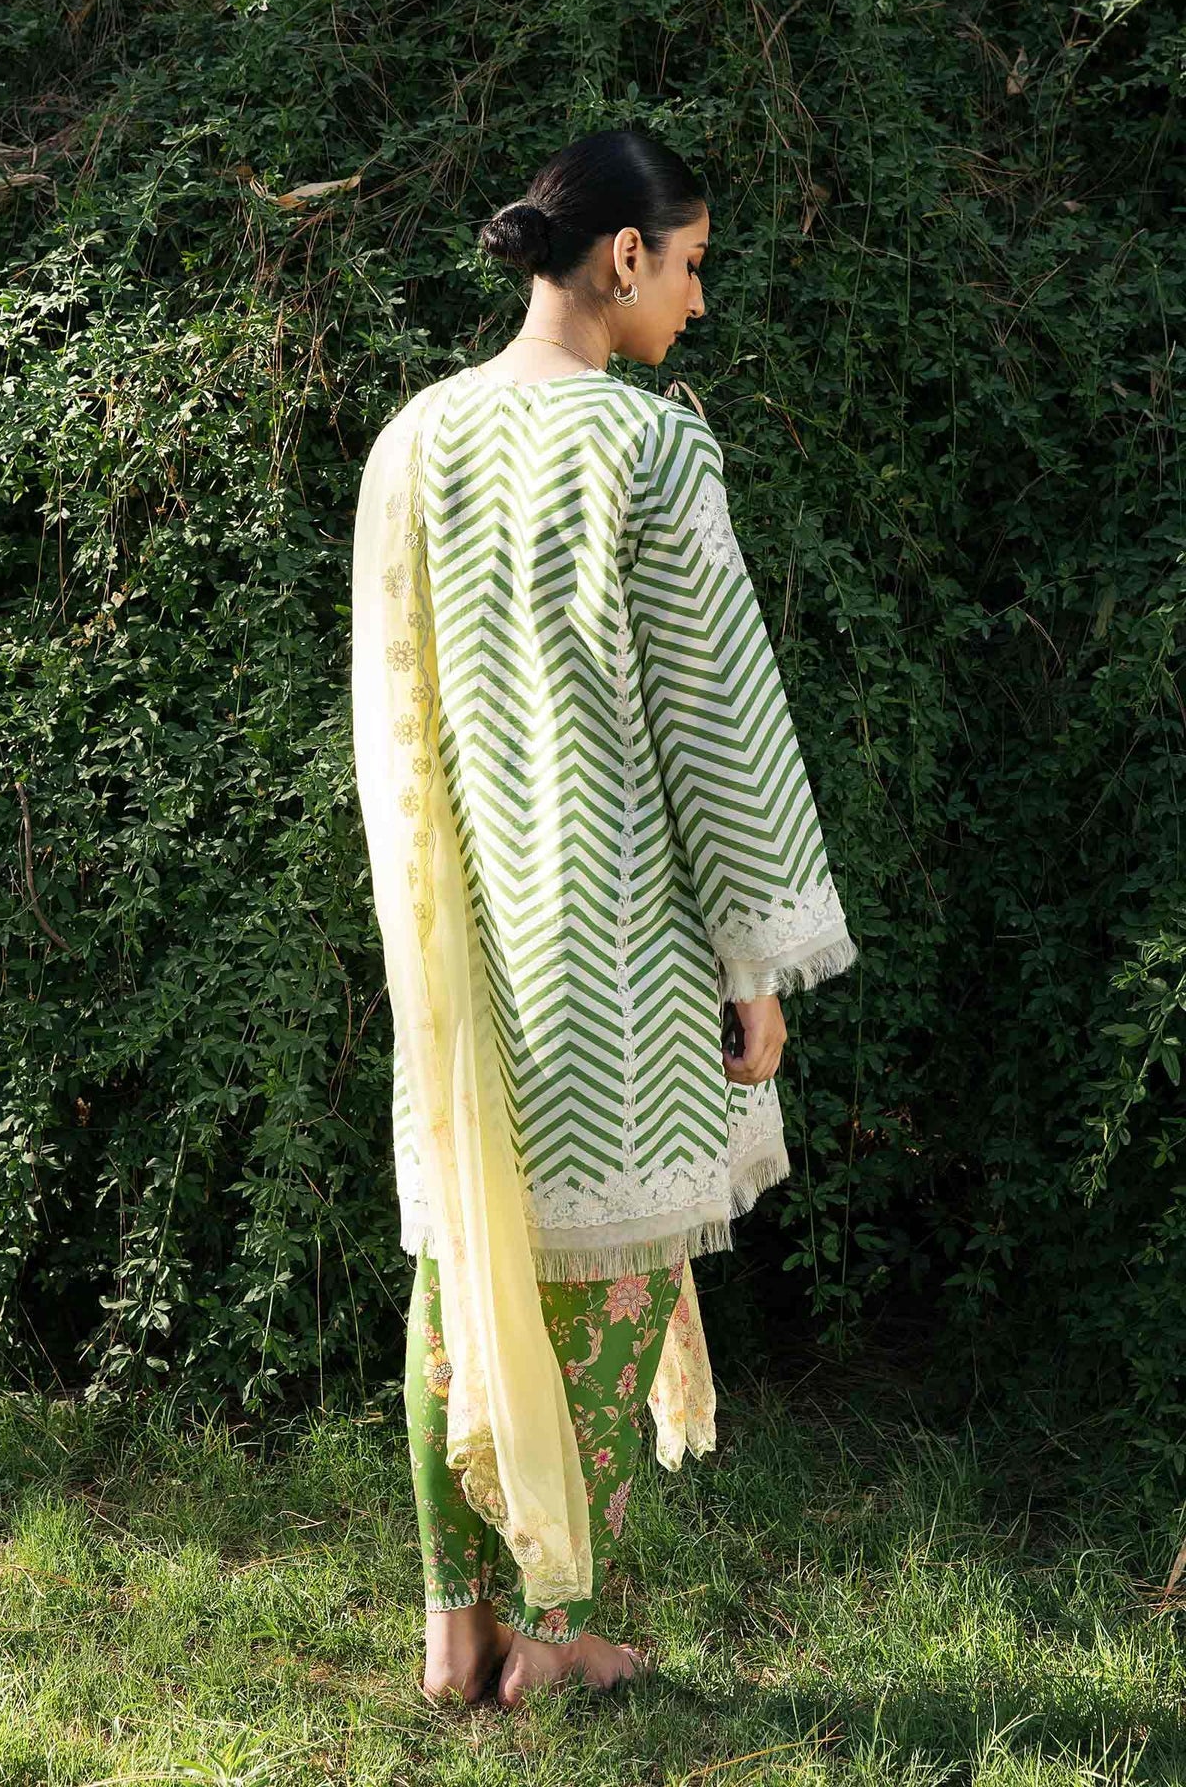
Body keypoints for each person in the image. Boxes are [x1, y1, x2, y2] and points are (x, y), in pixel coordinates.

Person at [350, 127, 858, 1712]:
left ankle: (453, 1635)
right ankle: (555, 1633)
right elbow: (719, 726)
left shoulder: (416, 441)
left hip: (458, 950)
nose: (698, 303)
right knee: (617, 1272)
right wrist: (760, 960)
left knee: (465, 1263)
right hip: (615, 945)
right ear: (625, 255)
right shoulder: (648, 447)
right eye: (691, 266)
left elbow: (392, 719)